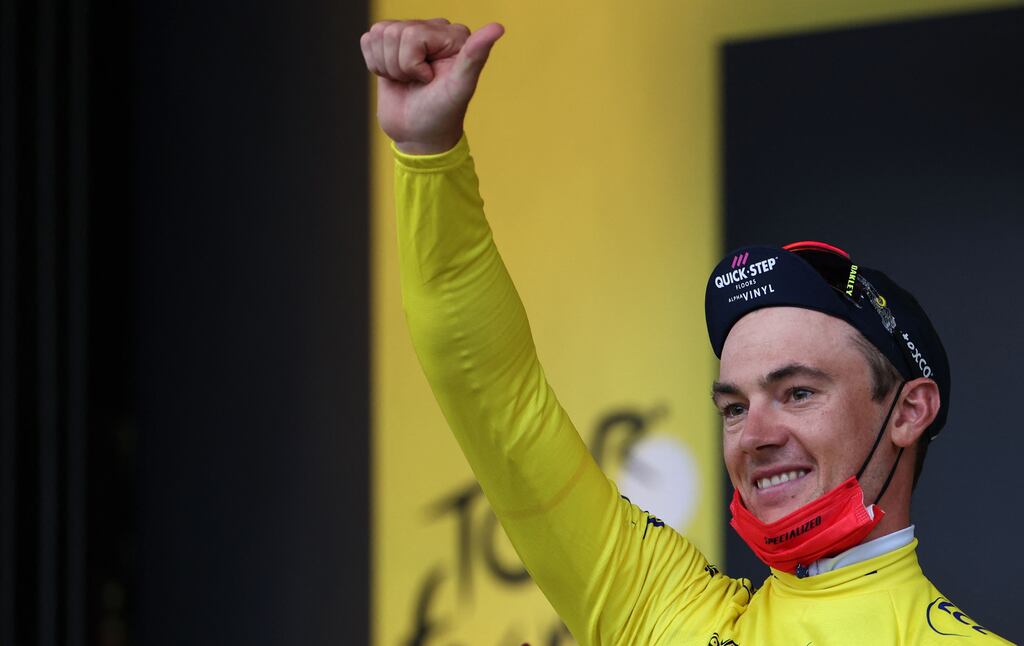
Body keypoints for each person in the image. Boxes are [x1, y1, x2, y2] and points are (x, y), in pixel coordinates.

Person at [361, 19, 1014, 644]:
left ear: (908, 412)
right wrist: (428, 153)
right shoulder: (657, 608)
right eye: (734, 406)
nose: (754, 437)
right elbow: (490, 392)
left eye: (798, 393)